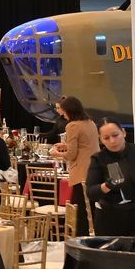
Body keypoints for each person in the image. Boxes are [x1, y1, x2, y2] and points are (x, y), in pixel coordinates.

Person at [85, 121, 135, 236]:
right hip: (110, 219)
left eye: (115, 135)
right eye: (106, 138)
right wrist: (108, 185)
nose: (112, 141)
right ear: (101, 140)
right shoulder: (98, 158)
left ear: (123, 132)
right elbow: (91, 193)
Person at [50, 96, 99, 235]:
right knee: (90, 208)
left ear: (69, 111)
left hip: (81, 171)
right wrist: (65, 145)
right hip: (94, 169)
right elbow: (85, 145)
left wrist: (56, 154)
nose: (63, 115)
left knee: (81, 210)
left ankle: (80, 238)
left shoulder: (72, 125)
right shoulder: (90, 122)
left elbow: (71, 155)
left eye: (64, 111)